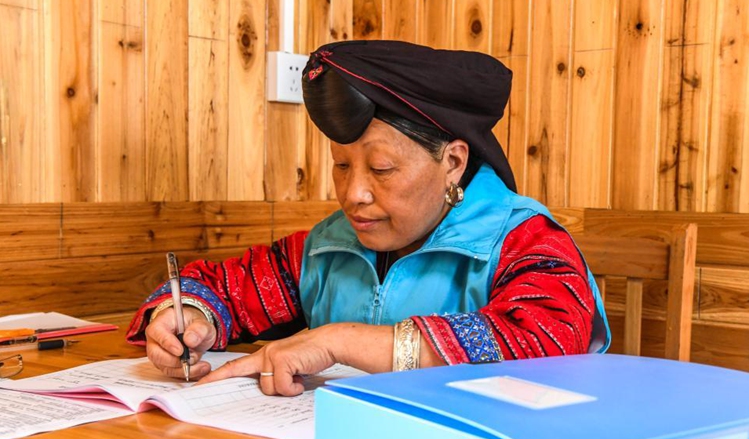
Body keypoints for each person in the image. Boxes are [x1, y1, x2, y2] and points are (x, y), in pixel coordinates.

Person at [126, 40, 610, 397]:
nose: (353, 194)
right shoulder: (325, 248)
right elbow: (225, 287)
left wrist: (340, 341)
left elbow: (547, 341)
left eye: (381, 168)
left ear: (454, 163)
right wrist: (188, 317)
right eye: (341, 165)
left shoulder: (524, 241)